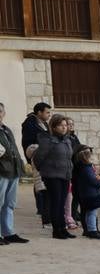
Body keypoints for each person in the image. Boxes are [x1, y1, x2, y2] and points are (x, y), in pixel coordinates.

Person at [32, 113, 74, 240]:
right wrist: (44, 170)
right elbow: (38, 158)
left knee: (62, 202)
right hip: (52, 175)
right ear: (54, 127)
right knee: (56, 203)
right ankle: (57, 230)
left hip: (65, 175)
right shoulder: (48, 140)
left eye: (65, 125)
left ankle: (63, 228)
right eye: (61, 125)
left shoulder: (67, 140)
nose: (64, 128)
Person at [0, 103, 29, 244]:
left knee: (9, 203)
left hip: (13, 169)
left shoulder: (6, 130)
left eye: (0, 111)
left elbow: (14, 148)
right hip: (1, 170)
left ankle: (8, 232)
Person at [21, 102, 51, 225]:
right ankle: (41, 209)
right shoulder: (30, 123)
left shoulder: (43, 123)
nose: (49, 115)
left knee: (44, 183)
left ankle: (44, 208)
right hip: (37, 157)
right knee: (39, 183)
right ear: (39, 112)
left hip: (46, 157)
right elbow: (28, 142)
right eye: (47, 112)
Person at [72, 146, 100, 239]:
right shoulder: (84, 168)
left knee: (90, 212)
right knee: (90, 212)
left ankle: (93, 229)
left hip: (87, 192)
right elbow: (92, 180)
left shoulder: (85, 167)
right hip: (87, 193)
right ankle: (91, 230)